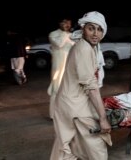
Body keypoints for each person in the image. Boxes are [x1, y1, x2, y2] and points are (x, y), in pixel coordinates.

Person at [50, 11, 111, 160]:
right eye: (91, 28)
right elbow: (91, 87)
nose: (95, 33)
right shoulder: (83, 49)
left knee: (72, 145)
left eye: (99, 29)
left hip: (70, 101)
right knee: (97, 147)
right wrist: (103, 118)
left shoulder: (87, 46)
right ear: (83, 28)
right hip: (74, 105)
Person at [47, 18, 75, 119]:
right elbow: (59, 44)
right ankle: (53, 114)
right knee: (56, 88)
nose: (67, 24)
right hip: (58, 65)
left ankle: (66, 112)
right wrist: (66, 34)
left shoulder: (72, 35)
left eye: (69, 23)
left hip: (69, 65)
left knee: (68, 89)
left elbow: (75, 47)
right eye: (65, 22)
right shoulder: (53, 34)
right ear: (60, 23)